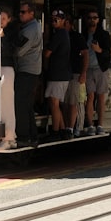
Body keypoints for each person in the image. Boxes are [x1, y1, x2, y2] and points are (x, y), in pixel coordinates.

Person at [14, 1, 43, 146]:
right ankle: (32, 136)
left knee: (21, 104)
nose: (20, 14)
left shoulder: (30, 30)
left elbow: (19, 51)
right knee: (27, 105)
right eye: (19, 12)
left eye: (23, 12)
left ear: (31, 13)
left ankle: (24, 137)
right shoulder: (32, 26)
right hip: (31, 71)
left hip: (27, 71)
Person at [0, 5, 19, 150]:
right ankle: (4, 136)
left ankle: (9, 138)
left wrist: (3, 37)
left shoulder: (11, 32)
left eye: (3, 19)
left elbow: (14, 50)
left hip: (6, 69)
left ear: (8, 19)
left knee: (6, 103)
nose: (1, 21)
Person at [43, 9, 72, 140]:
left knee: (54, 103)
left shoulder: (59, 34)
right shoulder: (63, 34)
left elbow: (47, 53)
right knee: (54, 103)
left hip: (58, 74)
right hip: (60, 74)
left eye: (57, 20)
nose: (54, 22)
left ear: (63, 21)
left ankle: (55, 132)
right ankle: (62, 129)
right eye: (52, 20)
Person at [82, 8, 111, 135]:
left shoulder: (104, 35)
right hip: (87, 69)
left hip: (100, 69)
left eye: (95, 18)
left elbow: (108, 53)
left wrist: (98, 49)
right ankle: (90, 125)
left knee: (100, 97)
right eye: (89, 18)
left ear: (98, 20)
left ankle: (100, 124)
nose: (92, 20)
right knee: (90, 96)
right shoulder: (83, 34)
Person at [64, 14, 88, 136]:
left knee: (73, 101)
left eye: (66, 22)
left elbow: (85, 54)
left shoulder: (77, 37)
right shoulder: (60, 35)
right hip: (63, 73)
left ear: (70, 24)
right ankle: (68, 126)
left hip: (75, 72)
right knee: (65, 101)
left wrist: (83, 72)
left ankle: (72, 127)